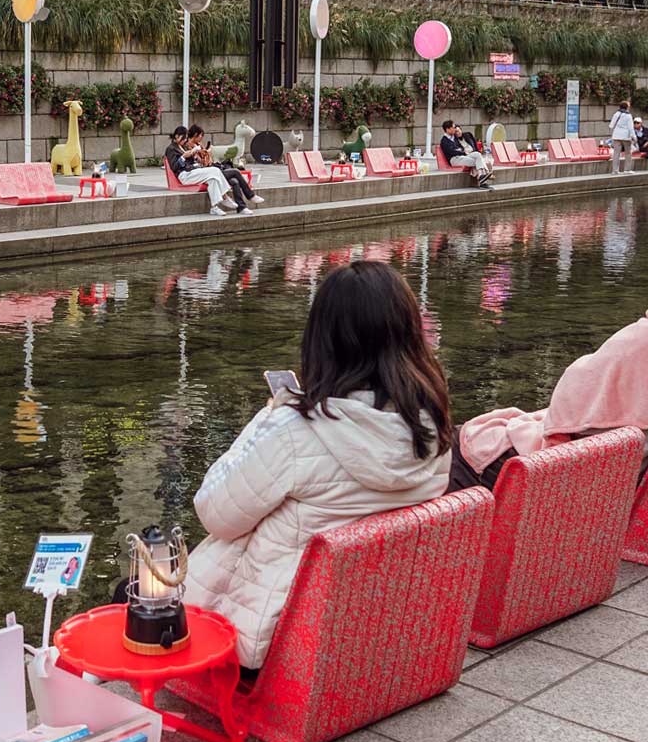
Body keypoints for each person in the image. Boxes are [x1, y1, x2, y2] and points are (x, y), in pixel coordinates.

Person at [183, 261, 453, 669]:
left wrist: (269, 418)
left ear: (324, 339)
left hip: (274, 639)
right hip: (368, 624)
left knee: (131, 594)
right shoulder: (431, 424)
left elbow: (214, 513)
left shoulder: (298, 430)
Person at [448, 310, 648, 493]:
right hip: (599, 489)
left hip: (535, 471)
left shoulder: (639, 340)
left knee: (447, 447)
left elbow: (569, 400)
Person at [186, 124, 263, 215]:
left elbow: (208, 161)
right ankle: (250, 195)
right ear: (195, 135)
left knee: (234, 181)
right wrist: (205, 156)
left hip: (212, 169)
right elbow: (200, 164)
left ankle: (242, 207)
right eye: (200, 136)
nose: (201, 138)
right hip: (206, 173)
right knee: (236, 172)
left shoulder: (199, 145)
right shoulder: (189, 147)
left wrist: (209, 154)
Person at [164, 126, 234, 217]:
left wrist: (194, 154)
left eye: (186, 138)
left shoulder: (183, 146)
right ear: (176, 136)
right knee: (215, 170)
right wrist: (183, 157)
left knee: (212, 179)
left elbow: (191, 161)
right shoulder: (171, 149)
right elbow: (174, 167)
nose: (185, 140)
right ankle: (224, 196)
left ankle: (214, 208)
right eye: (183, 138)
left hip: (192, 171)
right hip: (184, 175)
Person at [439, 120, 494, 190]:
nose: (455, 129)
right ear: (447, 129)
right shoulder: (444, 141)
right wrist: (461, 151)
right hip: (454, 159)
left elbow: (459, 148)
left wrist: (460, 150)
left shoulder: (455, 138)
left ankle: (480, 176)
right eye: (453, 127)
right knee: (478, 161)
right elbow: (451, 152)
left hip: (462, 156)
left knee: (477, 154)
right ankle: (482, 180)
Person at [610, 101, 637, 173]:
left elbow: (611, 125)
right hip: (626, 136)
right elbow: (630, 128)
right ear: (627, 107)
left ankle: (615, 170)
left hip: (616, 136)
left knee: (616, 153)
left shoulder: (616, 114)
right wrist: (634, 136)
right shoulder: (628, 116)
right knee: (628, 153)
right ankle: (627, 169)